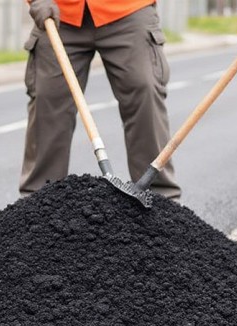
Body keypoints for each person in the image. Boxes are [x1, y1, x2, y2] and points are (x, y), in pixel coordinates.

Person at [21, 0, 181, 199]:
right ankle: (37, 206)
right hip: (59, 12)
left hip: (128, 9)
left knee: (145, 89)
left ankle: (160, 202)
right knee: (48, 99)